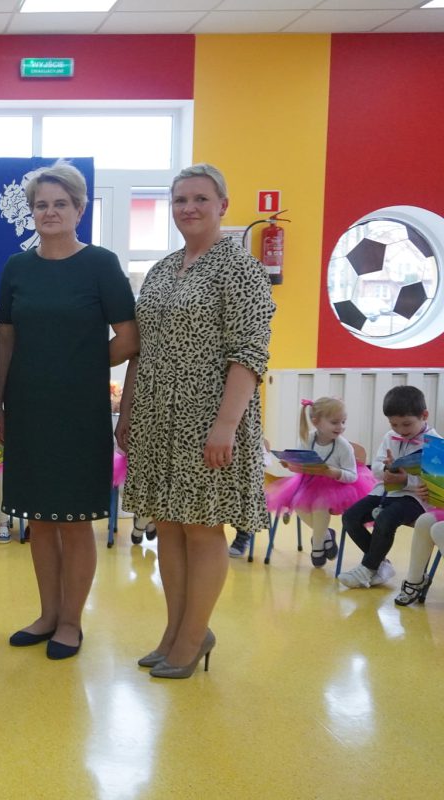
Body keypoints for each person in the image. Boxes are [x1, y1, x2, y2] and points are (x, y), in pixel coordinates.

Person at [118, 163, 274, 679]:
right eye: (180, 199)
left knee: (203, 529)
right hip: (156, 416)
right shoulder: (163, 269)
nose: (188, 208)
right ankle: (176, 631)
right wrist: (128, 409)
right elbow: (141, 347)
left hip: (209, 416)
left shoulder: (241, 268)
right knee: (168, 526)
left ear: (222, 205)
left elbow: (249, 354)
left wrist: (226, 426)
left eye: (200, 199)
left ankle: (192, 636)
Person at [0, 162, 137, 659]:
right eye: (41, 205)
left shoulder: (100, 264)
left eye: (60, 203)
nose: (50, 212)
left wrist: (80, 361)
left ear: (79, 209)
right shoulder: (17, 267)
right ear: (31, 212)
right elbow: (5, 338)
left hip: (79, 410)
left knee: (74, 521)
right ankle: (48, 614)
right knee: (40, 519)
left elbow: (129, 337)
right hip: (27, 407)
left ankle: (72, 622)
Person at [338, 385, 437, 589]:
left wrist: (406, 480)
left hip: (415, 499)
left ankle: (367, 568)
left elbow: (433, 483)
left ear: (424, 415)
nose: (401, 430)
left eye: (406, 424)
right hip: (386, 492)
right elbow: (375, 468)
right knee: (349, 517)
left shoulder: (435, 443)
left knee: (385, 519)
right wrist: (385, 470)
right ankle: (380, 564)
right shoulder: (389, 437)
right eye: (394, 424)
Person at [265, 397, 375, 567]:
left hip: (336, 485)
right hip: (308, 482)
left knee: (320, 504)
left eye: (343, 422)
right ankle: (326, 535)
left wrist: (333, 472)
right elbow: (301, 466)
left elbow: (352, 476)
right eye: (335, 422)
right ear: (316, 422)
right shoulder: (307, 439)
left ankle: (317, 547)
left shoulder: (343, 446)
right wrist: (291, 465)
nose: (340, 427)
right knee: (298, 504)